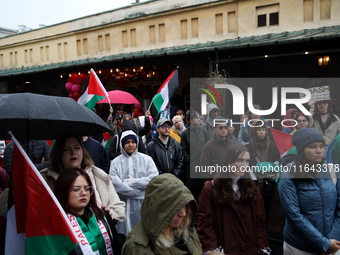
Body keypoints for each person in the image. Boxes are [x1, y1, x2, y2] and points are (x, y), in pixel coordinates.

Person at [197, 143, 269, 254]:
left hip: (250, 250)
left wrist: (262, 247)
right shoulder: (211, 189)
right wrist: (213, 250)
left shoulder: (253, 188)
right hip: (225, 249)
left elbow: (259, 221)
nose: (244, 165)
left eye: (247, 161)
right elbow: (205, 225)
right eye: (240, 160)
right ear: (228, 161)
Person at [40, 132, 126, 223]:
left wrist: (111, 214)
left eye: (77, 148)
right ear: (59, 153)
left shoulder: (98, 175)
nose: (73, 152)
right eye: (66, 149)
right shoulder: (44, 180)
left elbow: (118, 207)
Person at [279, 129, 340, 255]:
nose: (319, 151)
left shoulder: (332, 170)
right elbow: (293, 215)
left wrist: (331, 239)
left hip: (332, 244)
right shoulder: (289, 173)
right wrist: (323, 243)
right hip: (300, 247)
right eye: (313, 147)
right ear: (302, 150)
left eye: (322, 146)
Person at [122, 173, 203, 255]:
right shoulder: (138, 248)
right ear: (158, 209)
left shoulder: (186, 228)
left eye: (185, 205)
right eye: (176, 208)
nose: (183, 213)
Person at [54, 168, 124, 255]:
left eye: (87, 189)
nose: (83, 193)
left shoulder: (103, 215)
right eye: (76, 189)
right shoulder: (58, 226)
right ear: (63, 192)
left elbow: (117, 247)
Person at [109, 130, 158, 236]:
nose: (131, 145)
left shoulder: (146, 160)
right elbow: (116, 185)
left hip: (142, 205)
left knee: (142, 233)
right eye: (127, 142)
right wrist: (140, 193)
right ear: (122, 144)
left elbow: (153, 179)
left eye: (133, 142)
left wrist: (130, 183)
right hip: (123, 205)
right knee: (124, 236)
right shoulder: (116, 162)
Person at [246, 121, 280, 226]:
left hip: (268, 185)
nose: (262, 132)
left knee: (266, 213)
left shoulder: (272, 147)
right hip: (252, 185)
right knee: (252, 213)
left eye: (264, 129)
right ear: (253, 131)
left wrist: (264, 169)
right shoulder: (248, 147)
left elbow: (277, 165)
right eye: (259, 130)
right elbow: (246, 166)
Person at [181, 109, 210, 200]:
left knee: (204, 191)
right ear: (190, 120)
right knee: (192, 192)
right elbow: (183, 149)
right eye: (196, 118)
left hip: (203, 165)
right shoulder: (185, 134)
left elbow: (208, 145)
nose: (199, 119)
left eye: (199, 117)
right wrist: (189, 160)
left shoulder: (204, 131)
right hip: (191, 167)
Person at [200, 117, 235, 182]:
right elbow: (204, 166)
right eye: (220, 127)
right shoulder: (208, 146)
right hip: (216, 180)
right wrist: (206, 181)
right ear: (214, 129)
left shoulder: (233, 143)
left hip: (232, 179)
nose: (224, 130)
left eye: (226, 127)